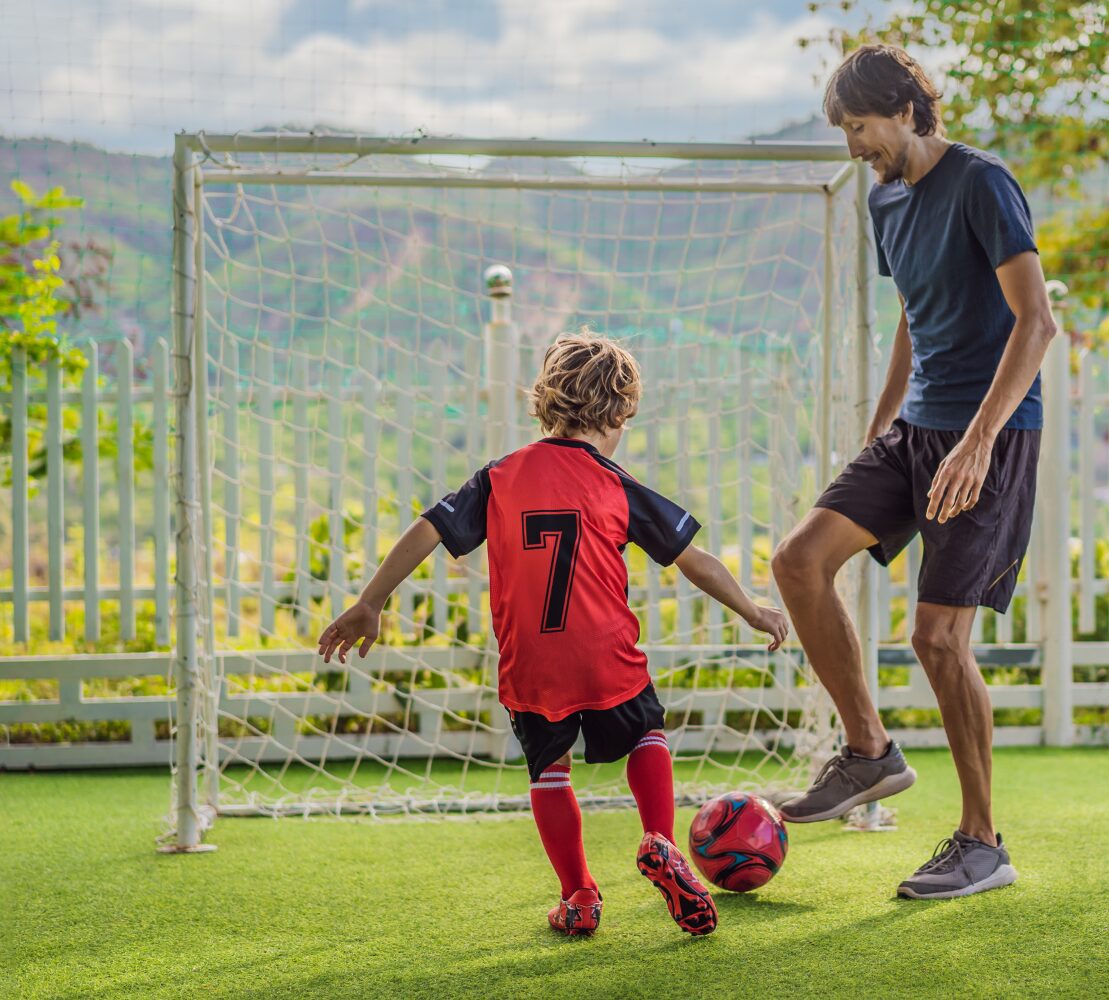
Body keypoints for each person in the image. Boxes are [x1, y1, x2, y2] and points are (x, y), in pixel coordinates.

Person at [318, 333, 788, 937]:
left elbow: (428, 528)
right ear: (618, 414)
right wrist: (751, 608)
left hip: (531, 662)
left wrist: (369, 602)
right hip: (605, 651)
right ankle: (660, 842)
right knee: (647, 733)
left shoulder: (499, 476)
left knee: (550, 770)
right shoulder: (615, 483)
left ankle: (580, 895)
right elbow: (692, 560)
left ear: (545, 403)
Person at [771, 43, 1058, 900]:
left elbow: (1035, 323)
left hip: (991, 438)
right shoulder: (884, 199)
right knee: (798, 562)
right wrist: (882, 421)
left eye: (860, 127)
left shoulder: (982, 184)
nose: (854, 147)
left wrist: (975, 441)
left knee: (937, 638)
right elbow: (911, 314)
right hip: (915, 431)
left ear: (904, 107)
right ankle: (869, 752)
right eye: (847, 133)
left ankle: (982, 842)